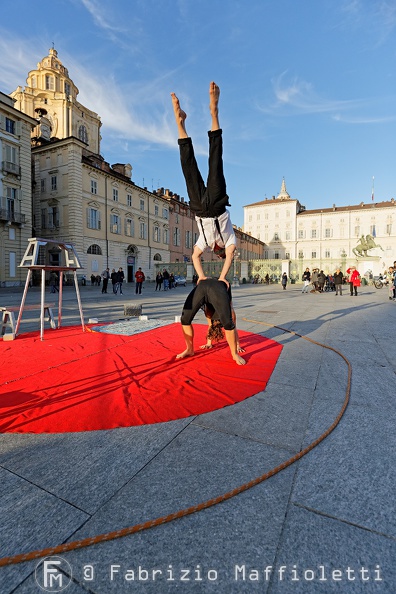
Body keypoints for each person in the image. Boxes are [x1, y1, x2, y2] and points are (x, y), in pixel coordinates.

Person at [171, 82, 236, 288]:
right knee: (215, 162)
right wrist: (223, 277)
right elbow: (231, 255)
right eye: (220, 253)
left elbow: (194, 256)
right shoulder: (230, 241)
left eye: (217, 253)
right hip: (217, 205)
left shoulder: (204, 243)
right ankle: (214, 112)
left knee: (188, 169)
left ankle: (180, 123)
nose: (218, 251)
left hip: (199, 208)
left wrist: (201, 277)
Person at [177, 278, 246, 365]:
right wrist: (209, 343)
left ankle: (234, 354)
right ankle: (189, 349)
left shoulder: (227, 313)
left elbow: (233, 328)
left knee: (229, 323)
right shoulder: (209, 313)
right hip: (214, 287)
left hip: (217, 288)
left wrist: (237, 346)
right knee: (185, 319)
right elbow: (211, 326)